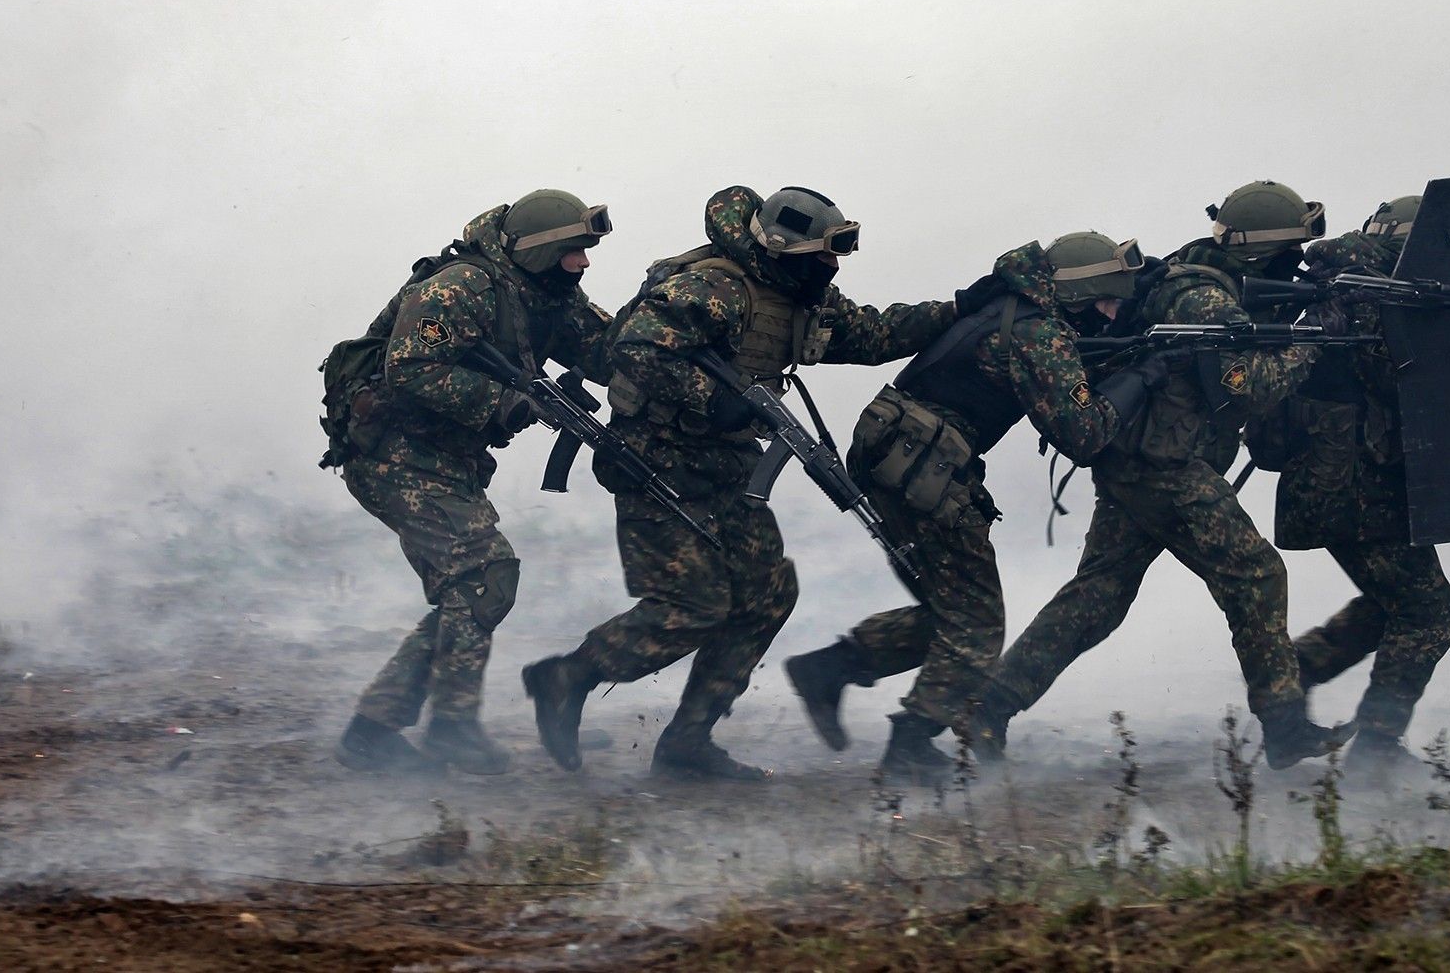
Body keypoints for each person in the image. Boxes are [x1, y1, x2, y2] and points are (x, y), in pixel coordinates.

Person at [521, 185, 956, 782]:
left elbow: (875, 335)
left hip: (727, 468)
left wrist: (960, 310)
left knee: (767, 593)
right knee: (693, 605)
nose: (830, 268)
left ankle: (687, 743)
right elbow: (633, 350)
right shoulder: (712, 287)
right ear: (780, 249)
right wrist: (713, 398)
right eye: (819, 256)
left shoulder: (798, 294)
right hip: (657, 463)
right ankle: (567, 676)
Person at [969, 181, 1352, 769]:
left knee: (1098, 597)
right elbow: (1247, 388)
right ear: (1261, 250)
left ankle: (987, 709)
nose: (1295, 259)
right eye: (1289, 248)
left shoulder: (1199, 274)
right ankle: (1284, 728)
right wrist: (1313, 339)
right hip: (1166, 467)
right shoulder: (1203, 298)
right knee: (1256, 575)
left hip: (1138, 460)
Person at [784, 232, 1173, 784]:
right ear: (1082, 293)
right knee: (977, 624)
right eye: (1108, 300)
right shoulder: (1040, 335)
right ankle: (911, 744)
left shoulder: (1011, 305)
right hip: (927, 465)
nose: (1113, 313)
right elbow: (1084, 435)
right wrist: (1142, 375)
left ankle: (831, 668)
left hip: (895, 452)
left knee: (949, 611)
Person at [326, 190, 616, 776]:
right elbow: (408, 368)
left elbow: (608, 352)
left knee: (474, 588)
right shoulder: (462, 287)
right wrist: (504, 401)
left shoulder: (548, 296)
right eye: (573, 251)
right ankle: (450, 727)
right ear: (540, 252)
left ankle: (375, 729)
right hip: (393, 454)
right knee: (484, 575)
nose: (583, 263)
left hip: (442, 459)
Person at [1276, 196, 1450, 782]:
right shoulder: (1369, 293)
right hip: (1351, 485)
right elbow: (1397, 377)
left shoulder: (1347, 283)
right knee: (1429, 610)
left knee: (1393, 603)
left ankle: (1289, 677)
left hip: (1341, 480)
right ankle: (1376, 748)